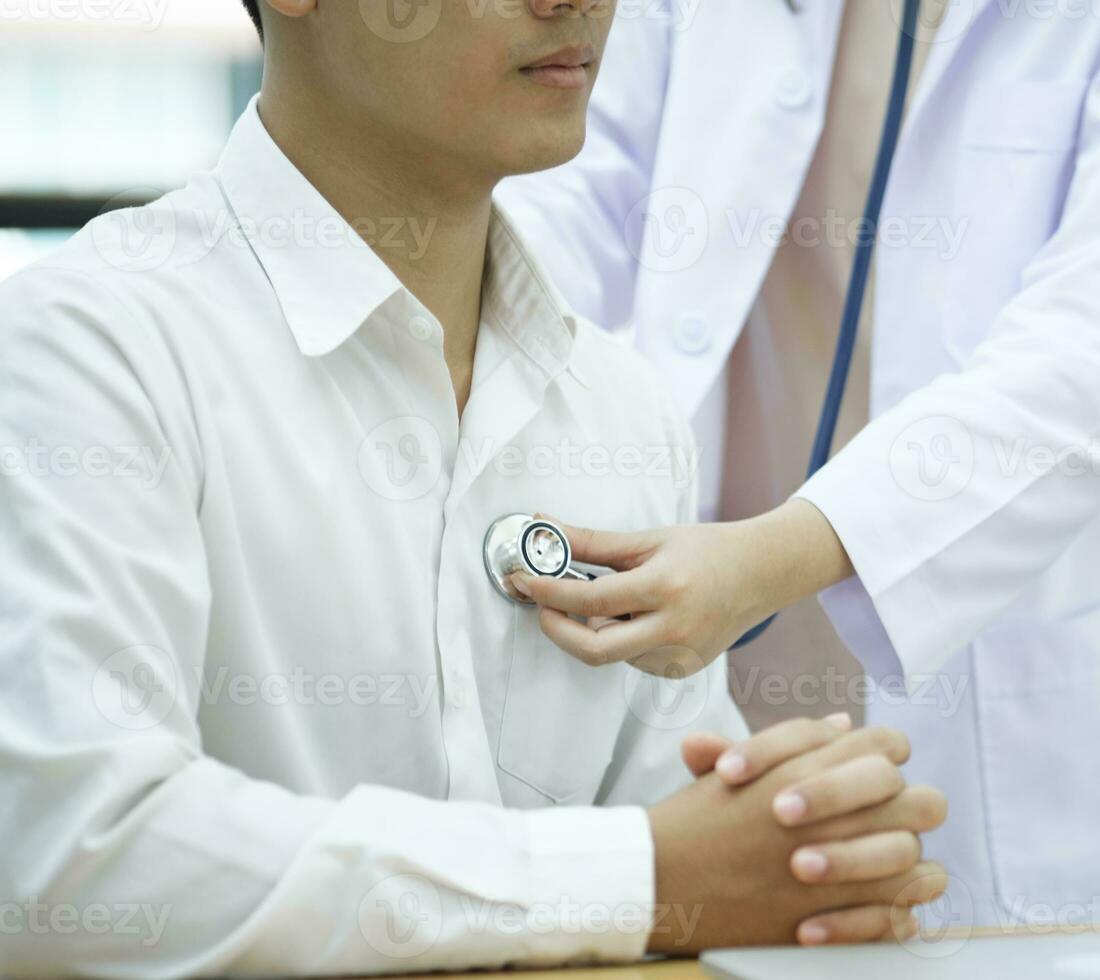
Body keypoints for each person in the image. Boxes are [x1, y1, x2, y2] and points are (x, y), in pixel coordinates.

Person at [0, 0, 949, 973]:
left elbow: (701, 860)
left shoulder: (620, 409)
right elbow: (74, 859)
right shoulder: (86, 352)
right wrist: (639, 880)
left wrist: (807, 849)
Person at [498, 0, 1100, 924]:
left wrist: (760, 563)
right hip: (704, 653)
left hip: (1015, 711)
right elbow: (573, 198)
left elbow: (1088, 356)